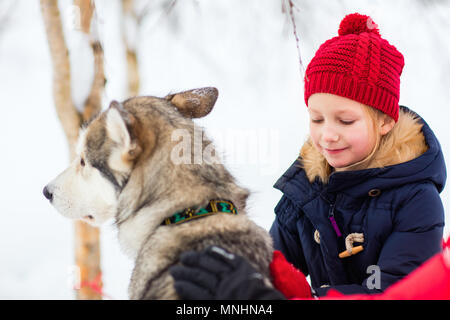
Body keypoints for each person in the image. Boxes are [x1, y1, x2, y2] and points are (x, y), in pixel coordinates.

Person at [171, 12, 446, 299]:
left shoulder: (416, 201)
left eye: (345, 121)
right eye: (317, 119)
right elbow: (272, 259)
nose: (327, 135)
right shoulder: (307, 190)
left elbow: (397, 293)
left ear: (385, 121)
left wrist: (305, 295)